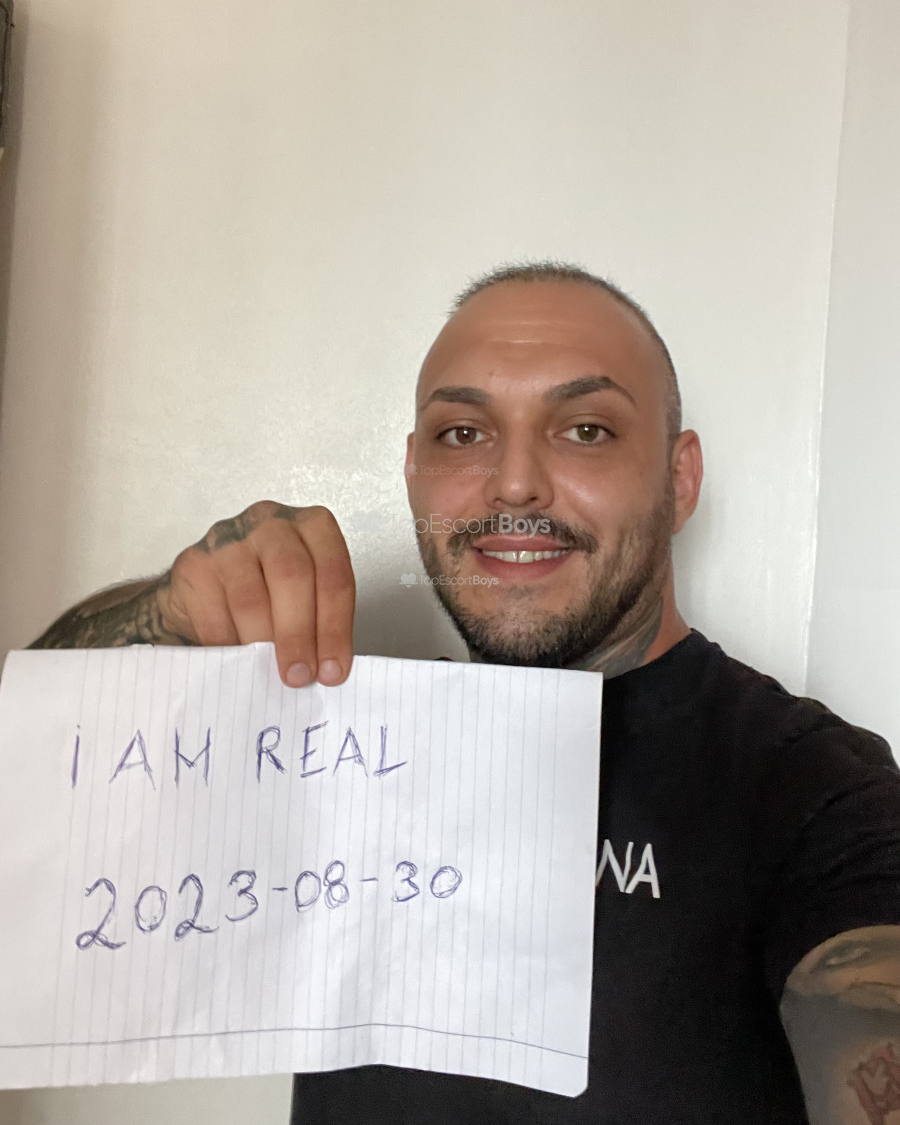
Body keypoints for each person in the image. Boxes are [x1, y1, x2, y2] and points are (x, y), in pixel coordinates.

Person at [28, 262, 900, 1125]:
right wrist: (170, 617)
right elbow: (35, 805)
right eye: (462, 434)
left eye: (586, 429)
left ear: (679, 479)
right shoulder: (313, 741)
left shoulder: (816, 793)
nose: (514, 483)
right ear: (413, 473)